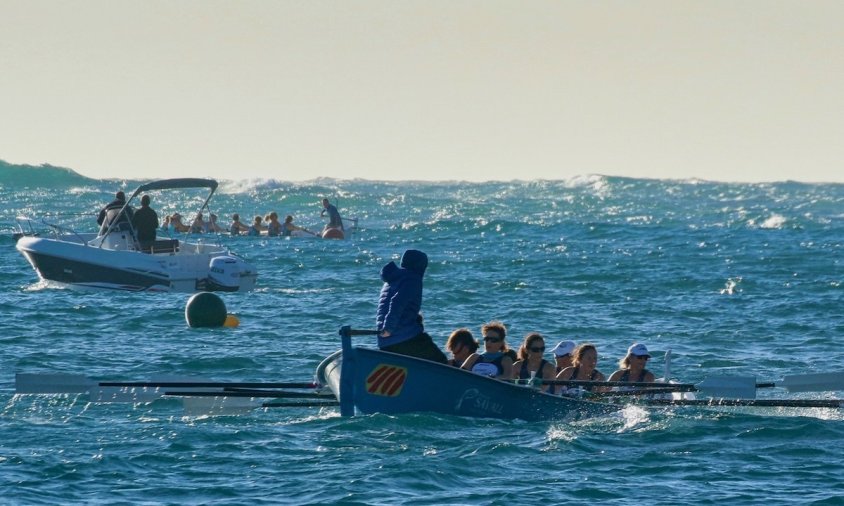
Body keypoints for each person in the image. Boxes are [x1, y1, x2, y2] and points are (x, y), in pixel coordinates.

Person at [375, 250, 447, 363]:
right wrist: (388, 328)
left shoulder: (390, 281)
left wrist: (386, 331)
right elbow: (397, 302)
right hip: (404, 338)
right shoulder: (412, 279)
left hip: (384, 342)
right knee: (441, 362)